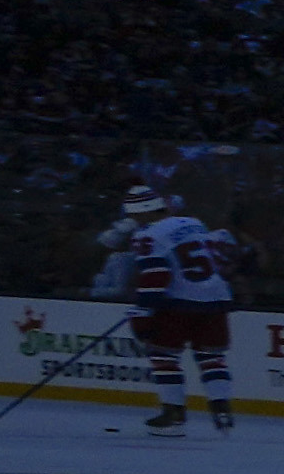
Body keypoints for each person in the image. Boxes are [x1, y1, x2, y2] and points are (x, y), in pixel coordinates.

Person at [97, 171, 240, 431]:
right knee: (211, 357)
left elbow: (156, 275)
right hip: (217, 298)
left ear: (139, 213)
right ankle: (221, 407)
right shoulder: (193, 223)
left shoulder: (147, 236)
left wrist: (143, 309)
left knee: (163, 355)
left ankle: (173, 412)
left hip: (178, 303)